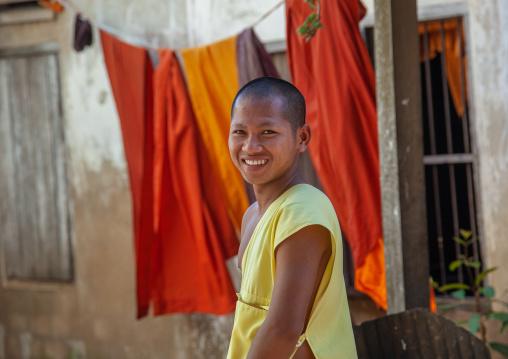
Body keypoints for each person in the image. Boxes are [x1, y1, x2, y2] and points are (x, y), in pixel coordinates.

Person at [226, 77, 358, 359]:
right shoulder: (253, 214)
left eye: (268, 132)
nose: (250, 146)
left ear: (302, 138)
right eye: (239, 131)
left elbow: (283, 329)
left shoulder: (302, 212)